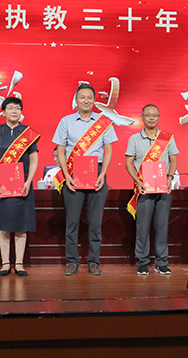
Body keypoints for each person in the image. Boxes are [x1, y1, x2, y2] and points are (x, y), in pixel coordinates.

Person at [52, 83, 118, 276]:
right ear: (76, 99)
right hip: (73, 174)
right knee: (72, 222)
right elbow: (61, 150)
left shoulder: (103, 122)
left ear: (94, 100)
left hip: (97, 173)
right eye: (82, 97)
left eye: (90, 97)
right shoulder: (66, 121)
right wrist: (66, 175)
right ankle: (72, 261)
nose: (86, 100)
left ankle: (94, 262)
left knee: (96, 222)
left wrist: (103, 174)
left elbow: (108, 149)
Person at [0, 97, 39, 277]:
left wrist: (29, 181)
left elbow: (34, 159)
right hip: (1, 186)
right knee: (3, 225)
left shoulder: (27, 132)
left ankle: (19, 264)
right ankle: (5, 263)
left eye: (17, 108)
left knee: (21, 225)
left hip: (22, 186)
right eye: (10, 108)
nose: (14, 111)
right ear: (3, 111)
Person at [125, 104, 179, 275]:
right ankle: (142, 262)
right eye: (148, 115)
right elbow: (129, 163)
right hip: (144, 189)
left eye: (154, 115)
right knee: (142, 228)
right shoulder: (134, 138)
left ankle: (161, 262)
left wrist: (170, 177)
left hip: (163, 189)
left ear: (158, 118)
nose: (151, 118)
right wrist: (137, 181)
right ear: (142, 117)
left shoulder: (167, 138)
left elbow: (173, 161)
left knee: (162, 227)